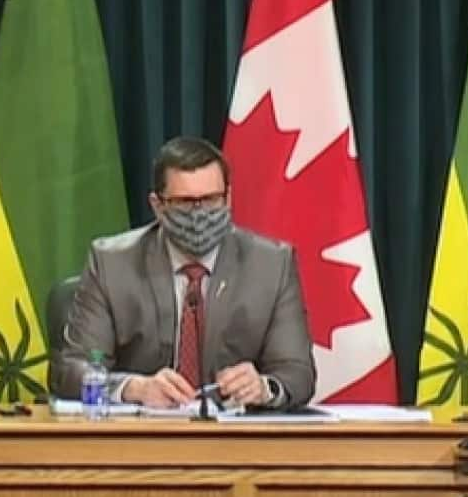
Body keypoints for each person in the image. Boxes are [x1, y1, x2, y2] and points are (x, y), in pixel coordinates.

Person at [49, 137, 316, 408]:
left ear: (228, 197)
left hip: (235, 443)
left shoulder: (272, 264)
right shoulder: (112, 263)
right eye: (185, 203)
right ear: (157, 205)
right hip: (139, 440)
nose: (199, 214)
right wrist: (135, 388)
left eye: (211, 200)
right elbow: (70, 372)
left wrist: (263, 388)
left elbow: (298, 374)